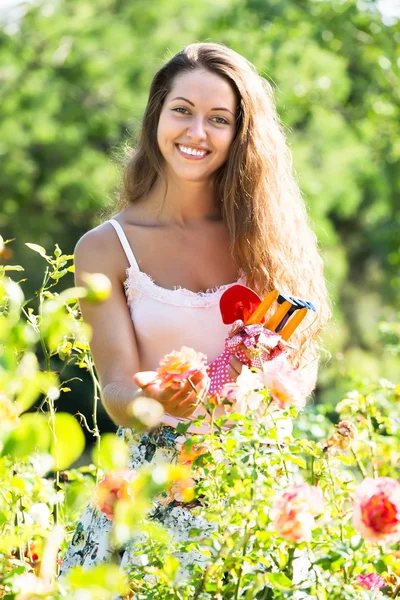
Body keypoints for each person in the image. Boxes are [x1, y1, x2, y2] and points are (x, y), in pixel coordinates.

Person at [60, 42, 330, 581]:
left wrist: (264, 384)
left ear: (241, 136)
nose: (196, 132)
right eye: (182, 109)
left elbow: (300, 364)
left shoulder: (268, 239)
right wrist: (152, 398)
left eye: (219, 119)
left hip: (253, 496)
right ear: (157, 112)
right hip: (151, 503)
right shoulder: (106, 248)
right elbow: (115, 388)